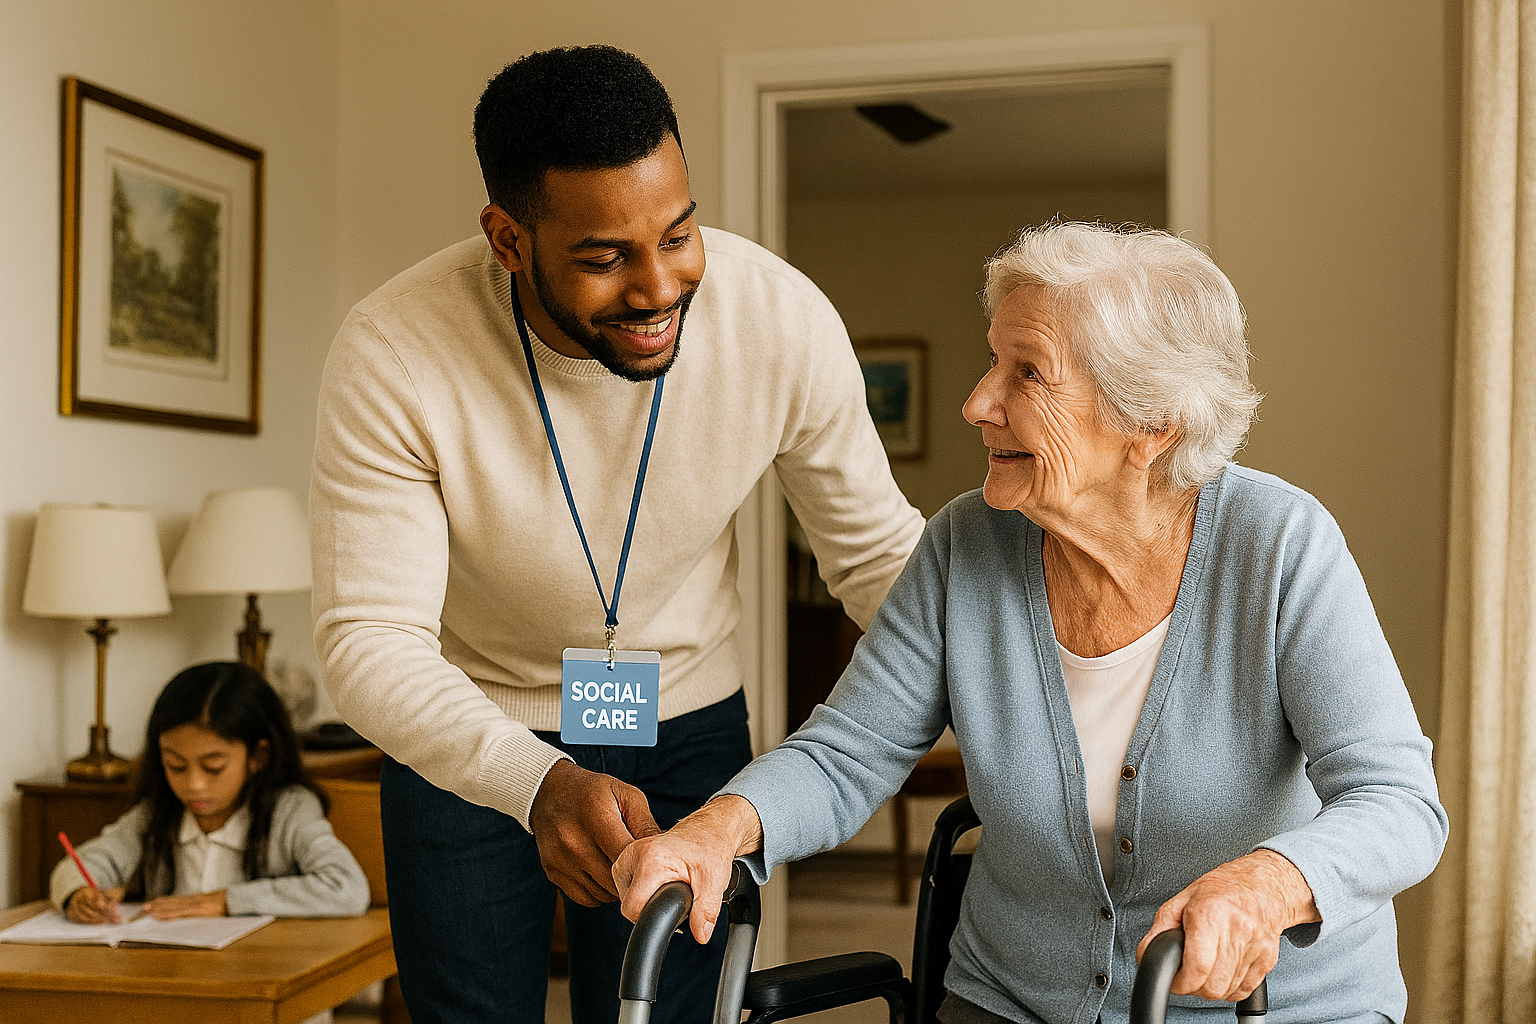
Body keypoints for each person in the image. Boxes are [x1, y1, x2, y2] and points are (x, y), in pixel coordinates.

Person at [616, 222, 1449, 1024]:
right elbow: (849, 752)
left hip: (1268, 1009)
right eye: (992, 362)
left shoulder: (1277, 547)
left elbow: (1398, 801)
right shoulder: (963, 545)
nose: (979, 402)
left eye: (1029, 374)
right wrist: (716, 829)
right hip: (1010, 1001)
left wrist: (1273, 881)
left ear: (1149, 423)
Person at [309, 44, 923, 1024]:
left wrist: (1018, 687)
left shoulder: (778, 318)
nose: (657, 287)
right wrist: (536, 779)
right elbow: (367, 641)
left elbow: (877, 555)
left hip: (690, 727)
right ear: (508, 240)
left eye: (678, 235)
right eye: (603, 258)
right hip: (471, 734)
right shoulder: (395, 350)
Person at [51, 660, 368, 923]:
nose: (194, 784)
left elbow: (347, 888)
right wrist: (79, 895)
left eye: (213, 766)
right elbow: (82, 864)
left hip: (266, 980)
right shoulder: (158, 813)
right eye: (175, 765)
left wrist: (227, 901)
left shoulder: (289, 811)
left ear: (258, 756)